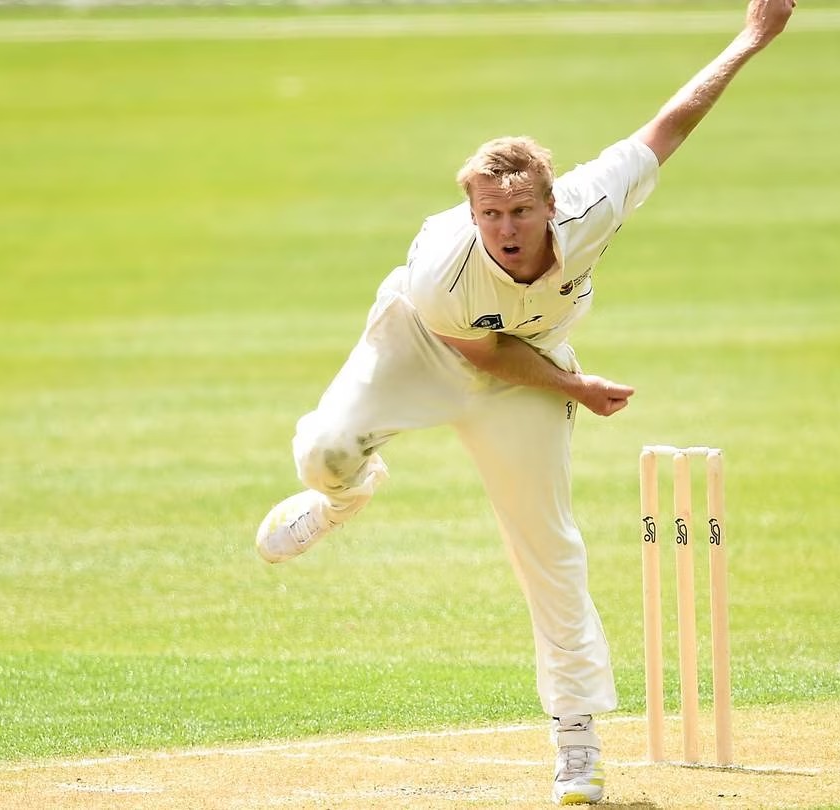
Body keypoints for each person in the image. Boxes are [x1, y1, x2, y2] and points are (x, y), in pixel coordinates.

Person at [255, 0, 796, 803]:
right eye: (489, 215)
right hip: (426, 347)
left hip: (529, 370)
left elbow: (673, 120)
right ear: (472, 214)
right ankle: (343, 499)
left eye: (518, 212)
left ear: (549, 204)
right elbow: (486, 353)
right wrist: (577, 385)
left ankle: (577, 746)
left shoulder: (593, 202)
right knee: (322, 452)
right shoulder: (444, 269)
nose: (505, 230)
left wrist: (751, 38)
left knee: (551, 552)